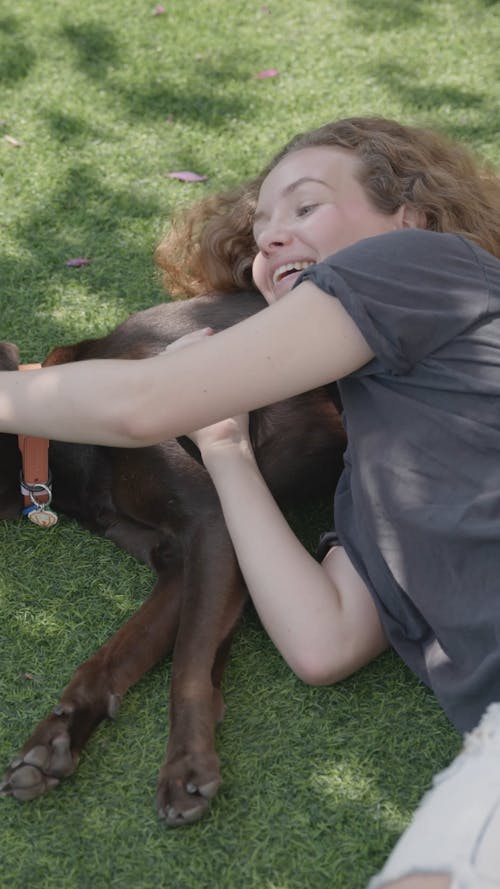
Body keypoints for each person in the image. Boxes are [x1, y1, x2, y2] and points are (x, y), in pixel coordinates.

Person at [2, 116, 500, 888]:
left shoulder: (424, 261)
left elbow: (143, 403)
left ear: (413, 216)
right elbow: (323, 643)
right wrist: (227, 450)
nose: (272, 237)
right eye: (261, 226)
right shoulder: (371, 485)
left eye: (304, 207)